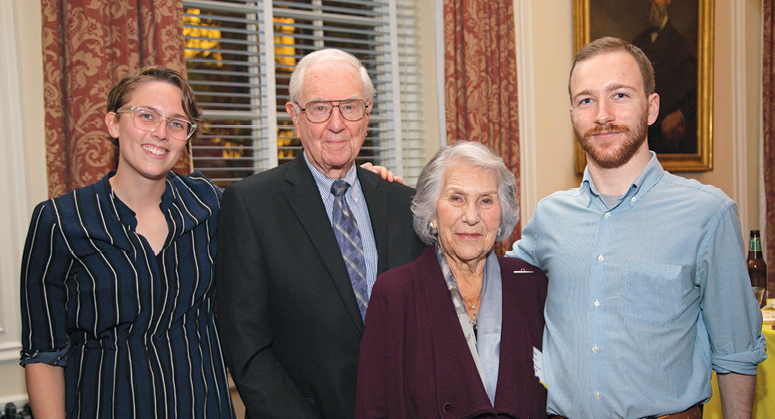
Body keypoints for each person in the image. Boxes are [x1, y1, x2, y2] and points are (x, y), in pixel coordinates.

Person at [507, 37, 766, 418]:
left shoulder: (708, 214)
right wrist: (387, 191)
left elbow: (737, 353)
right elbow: (491, 288)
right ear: (573, 114)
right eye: (586, 100)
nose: (602, 115)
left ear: (652, 108)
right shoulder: (549, 218)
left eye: (621, 95)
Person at [215, 48, 426, 419]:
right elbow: (247, 348)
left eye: (350, 106)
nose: (336, 123)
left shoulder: (405, 204)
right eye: (319, 108)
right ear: (294, 117)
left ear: (367, 114)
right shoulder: (250, 205)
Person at [20, 67, 235, 418]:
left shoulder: (210, 206)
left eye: (177, 123)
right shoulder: (59, 220)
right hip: (106, 402)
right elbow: (43, 353)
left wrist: (353, 183)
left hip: (202, 405)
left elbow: (278, 227)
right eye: (146, 116)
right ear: (112, 124)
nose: (161, 133)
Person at [354, 141, 547, 418]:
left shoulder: (531, 285)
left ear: (501, 214)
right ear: (432, 211)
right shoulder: (395, 294)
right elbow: (373, 408)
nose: (471, 216)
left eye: (486, 200)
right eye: (456, 198)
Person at [631, 0, 697, 154]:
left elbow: (695, 92)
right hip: (641, 137)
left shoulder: (681, 45)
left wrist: (680, 115)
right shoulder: (637, 42)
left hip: (668, 138)